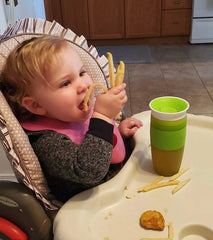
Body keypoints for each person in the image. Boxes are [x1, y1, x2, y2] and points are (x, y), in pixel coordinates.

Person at [0, 36, 143, 202]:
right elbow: (89, 170)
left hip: (121, 188)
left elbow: (99, 146)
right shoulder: (47, 141)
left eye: (82, 73)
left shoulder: (77, 113)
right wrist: (102, 117)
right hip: (90, 209)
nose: (83, 85)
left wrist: (118, 133)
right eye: (65, 83)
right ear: (35, 105)